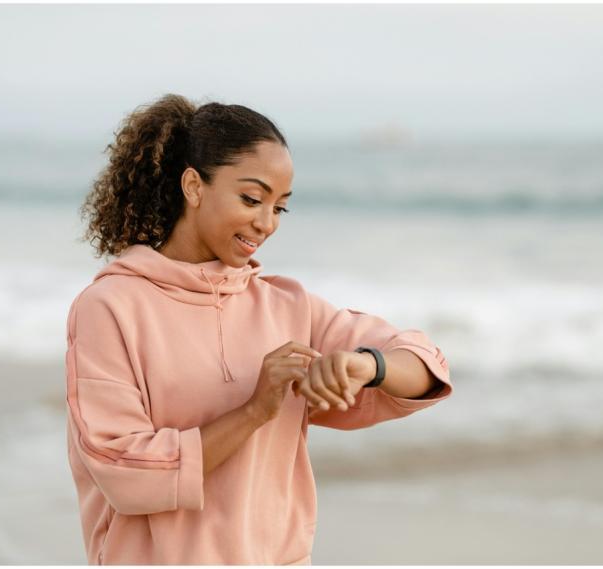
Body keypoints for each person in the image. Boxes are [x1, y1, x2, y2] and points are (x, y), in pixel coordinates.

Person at [64, 93, 454, 565]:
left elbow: (425, 365)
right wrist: (254, 410)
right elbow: (125, 473)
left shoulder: (288, 307)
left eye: (280, 208)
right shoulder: (110, 307)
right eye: (251, 198)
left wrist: (366, 366)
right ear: (193, 186)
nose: (266, 223)